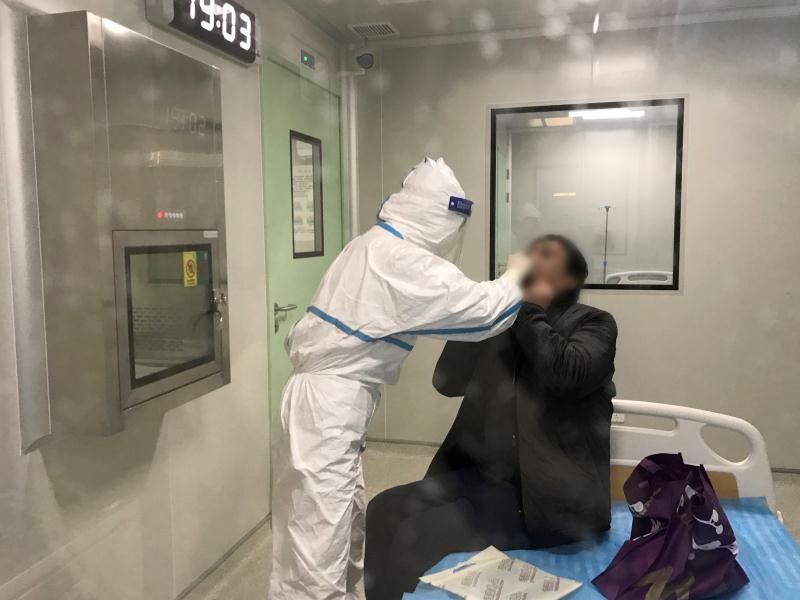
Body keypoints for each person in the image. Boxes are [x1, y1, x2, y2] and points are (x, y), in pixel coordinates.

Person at [269, 157, 531, 600]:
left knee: (339, 526)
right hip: (326, 407)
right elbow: (485, 312)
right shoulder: (398, 259)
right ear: (435, 218)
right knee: (317, 544)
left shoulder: (373, 245)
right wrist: (521, 273)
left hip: (327, 402)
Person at [363, 234, 618, 600]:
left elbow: (566, 373)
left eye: (546, 254)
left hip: (548, 500)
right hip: (484, 479)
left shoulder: (595, 324)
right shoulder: (504, 321)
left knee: (413, 536)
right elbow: (447, 381)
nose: (530, 258)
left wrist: (526, 307)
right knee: (381, 511)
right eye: (530, 252)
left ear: (570, 278)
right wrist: (477, 316)